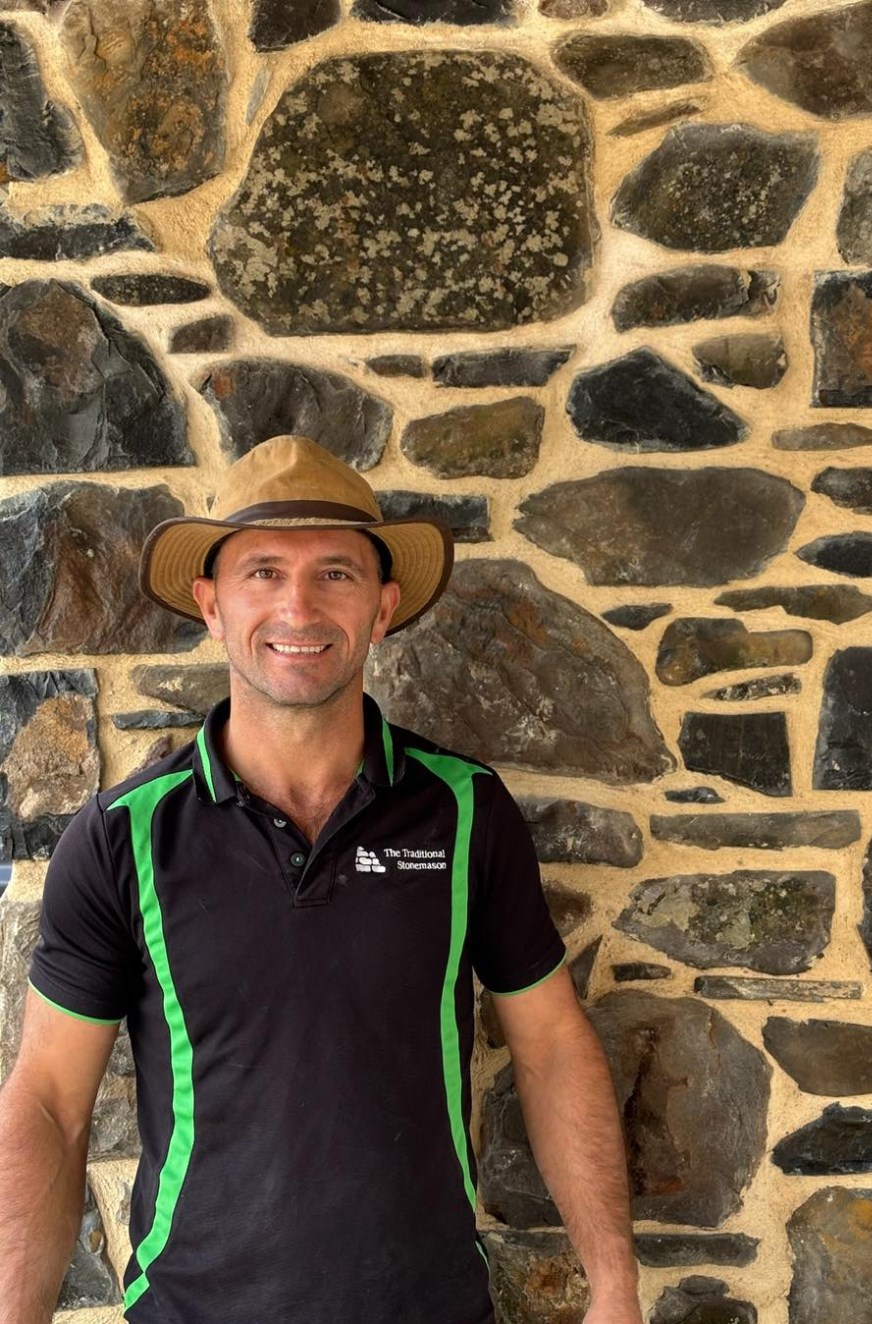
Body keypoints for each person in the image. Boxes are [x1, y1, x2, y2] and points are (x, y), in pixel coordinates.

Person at [0, 435, 643, 1324]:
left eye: (335, 573)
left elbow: (552, 1048)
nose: (297, 604)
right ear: (212, 606)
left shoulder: (464, 812)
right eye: (261, 571)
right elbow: (48, 1105)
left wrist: (613, 1286)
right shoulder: (122, 839)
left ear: (382, 608)